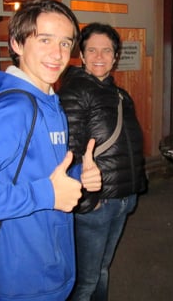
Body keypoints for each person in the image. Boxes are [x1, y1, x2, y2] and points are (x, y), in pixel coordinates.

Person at [0, 0, 102, 301]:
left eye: (65, 43)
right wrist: (46, 194)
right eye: (44, 40)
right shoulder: (15, 109)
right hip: (21, 281)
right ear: (17, 43)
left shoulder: (49, 101)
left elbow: (41, 174)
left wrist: (78, 175)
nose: (58, 54)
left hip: (51, 264)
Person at [57, 22, 148, 301]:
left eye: (107, 50)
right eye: (92, 50)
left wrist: (134, 189)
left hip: (122, 197)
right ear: (82, 56)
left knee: (102, 270)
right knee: (85, 280)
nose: (99, 56)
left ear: (115, 56)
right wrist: (88, 201)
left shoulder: (120, 95)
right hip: (97, 201)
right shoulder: (75, 92)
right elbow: (68, 152)